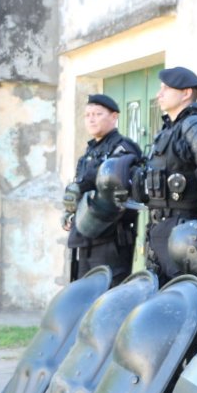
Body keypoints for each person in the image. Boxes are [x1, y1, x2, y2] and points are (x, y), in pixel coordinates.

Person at [133, 66, 197, 339]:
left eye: (166, 89)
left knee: (191, 309)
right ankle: (169, 378)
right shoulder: (168, 129)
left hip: (185, 233)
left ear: (185, 94)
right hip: (160, 231)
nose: (159, 94)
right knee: (164, 308)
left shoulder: (195, 125)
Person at [63, 93, 142, 286]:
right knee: (83, 296)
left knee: (107, 299)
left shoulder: (123, 149)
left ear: (114, 117)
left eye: (97, 114)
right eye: (87, 115)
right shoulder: (89, 152)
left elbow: (117, 189)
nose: (91, 119)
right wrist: (69, 213)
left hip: (112, 240)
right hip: (86, 238)